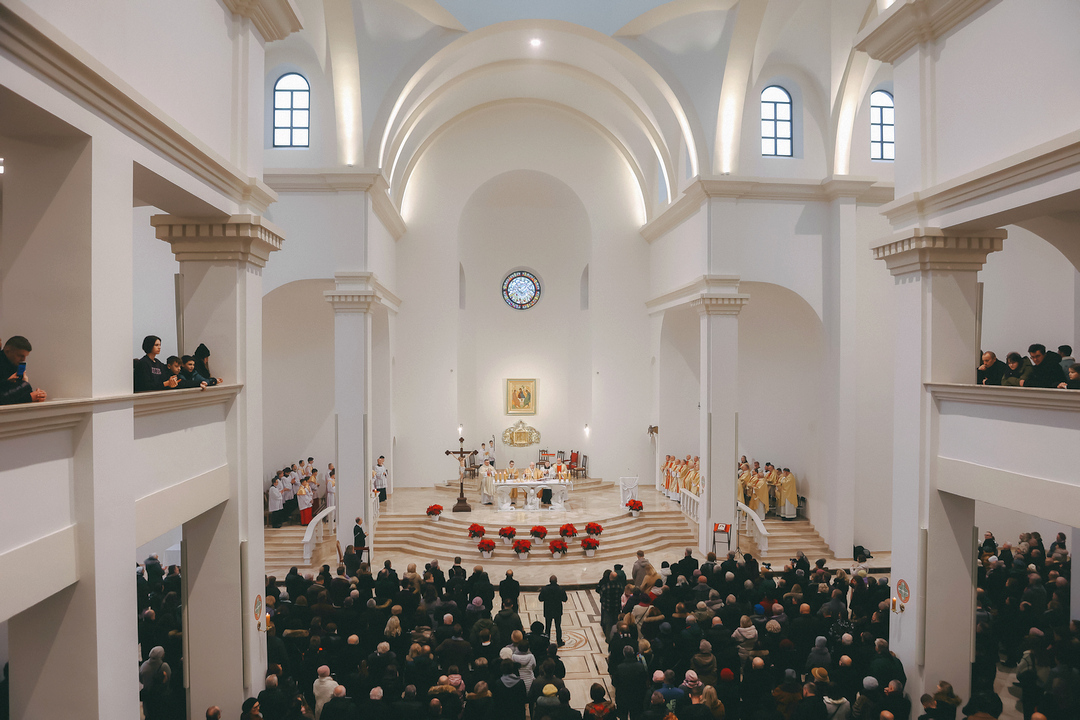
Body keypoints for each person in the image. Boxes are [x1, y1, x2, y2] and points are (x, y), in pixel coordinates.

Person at [0, 336, 47, 404]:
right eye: (20, 356)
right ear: (7, 351)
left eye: (25, 356)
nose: (23, 359)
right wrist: (30, 396)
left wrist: (38, 395)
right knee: (25, 385)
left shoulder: (13, 363)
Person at [538, 575, 568, 647]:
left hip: (548, 610)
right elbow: (565, 599)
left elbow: (540, 599)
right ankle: (559, 641)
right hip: (557, 610)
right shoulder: (560, 589)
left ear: (549, 581)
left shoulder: (545, 589)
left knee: (547, 627)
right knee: (558, 626)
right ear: (556, 581)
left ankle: (546, 641)